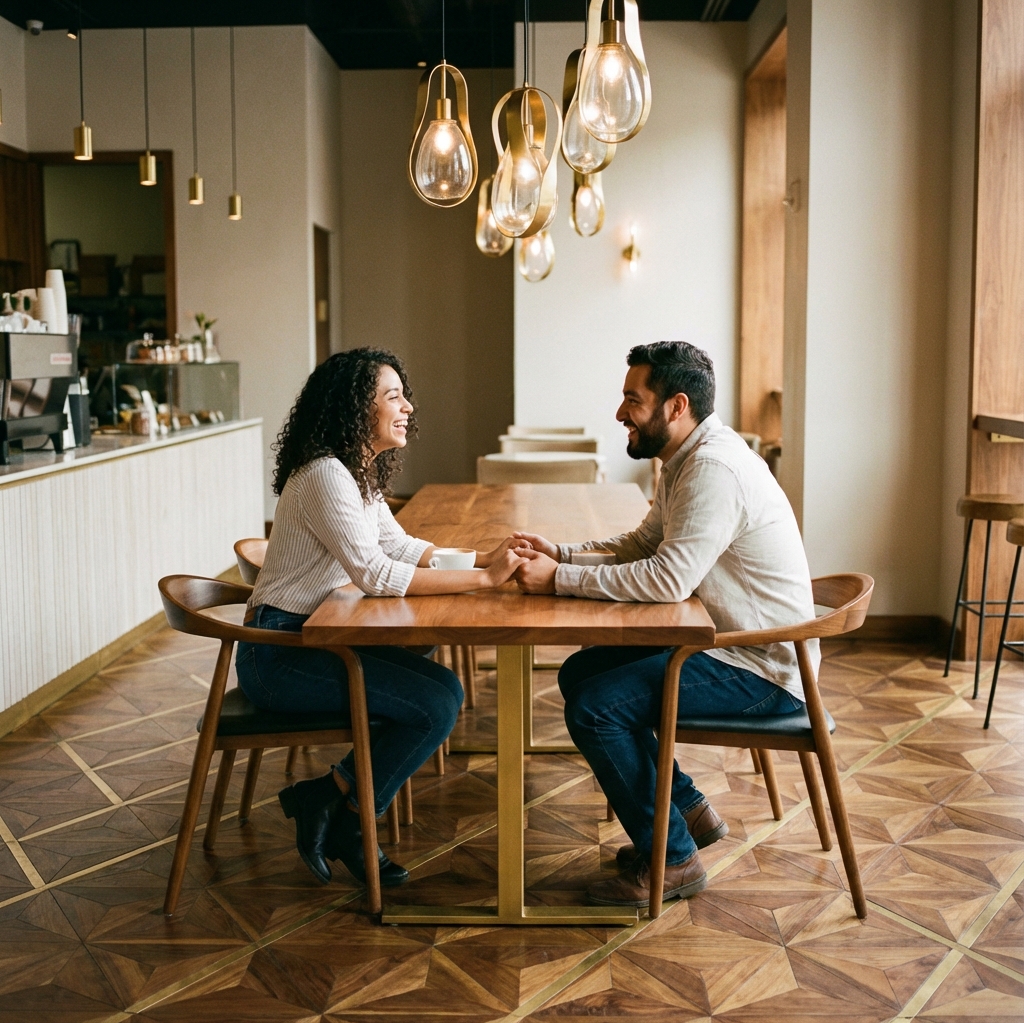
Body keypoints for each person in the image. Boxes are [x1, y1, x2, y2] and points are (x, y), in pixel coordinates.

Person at [512, 341, 816, 908]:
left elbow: (666, 580)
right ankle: (687, 812)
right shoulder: (685, 460)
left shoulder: (714, 470)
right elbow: (642, 545)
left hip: (762, 671)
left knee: (597, 706)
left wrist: (558, 580)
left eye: (633, 398)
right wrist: (562, 553)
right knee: (582, 673)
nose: (621, 412)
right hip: (725, 648)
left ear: (676, 407)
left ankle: (674, 860)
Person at [236, 348, 526, 888]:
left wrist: (485, 557)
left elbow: (399, 544)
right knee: (436, 701)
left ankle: (338, 808)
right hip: (278, 655)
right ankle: (334, 806)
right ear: (354, 408)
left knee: (439, 688)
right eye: (393, 396)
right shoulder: (326, 474)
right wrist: (485, 581)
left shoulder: (353, 473)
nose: (408, 406)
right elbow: (374, 572)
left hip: (316, 637)